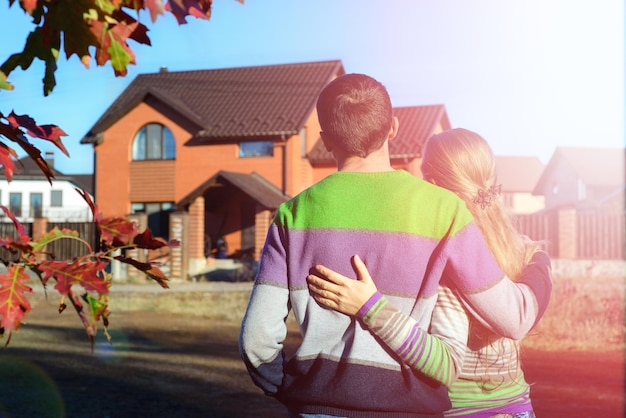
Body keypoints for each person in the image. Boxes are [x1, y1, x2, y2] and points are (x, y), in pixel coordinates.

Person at [239, 74, 551, 417]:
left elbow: (257, 339)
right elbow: (510, 317)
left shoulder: (291, 215)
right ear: (393, 128)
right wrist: (539, 262)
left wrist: (287, 387)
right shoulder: (444, 211)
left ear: (326, 140)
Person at [306, 128, 551, 417]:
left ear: (434, 183)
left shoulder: (444, 260)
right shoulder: (528, 253)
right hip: (519, 409)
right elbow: (522, 314)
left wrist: (371, 308)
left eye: (424, 174)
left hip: (460, 410)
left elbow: (444, 364)